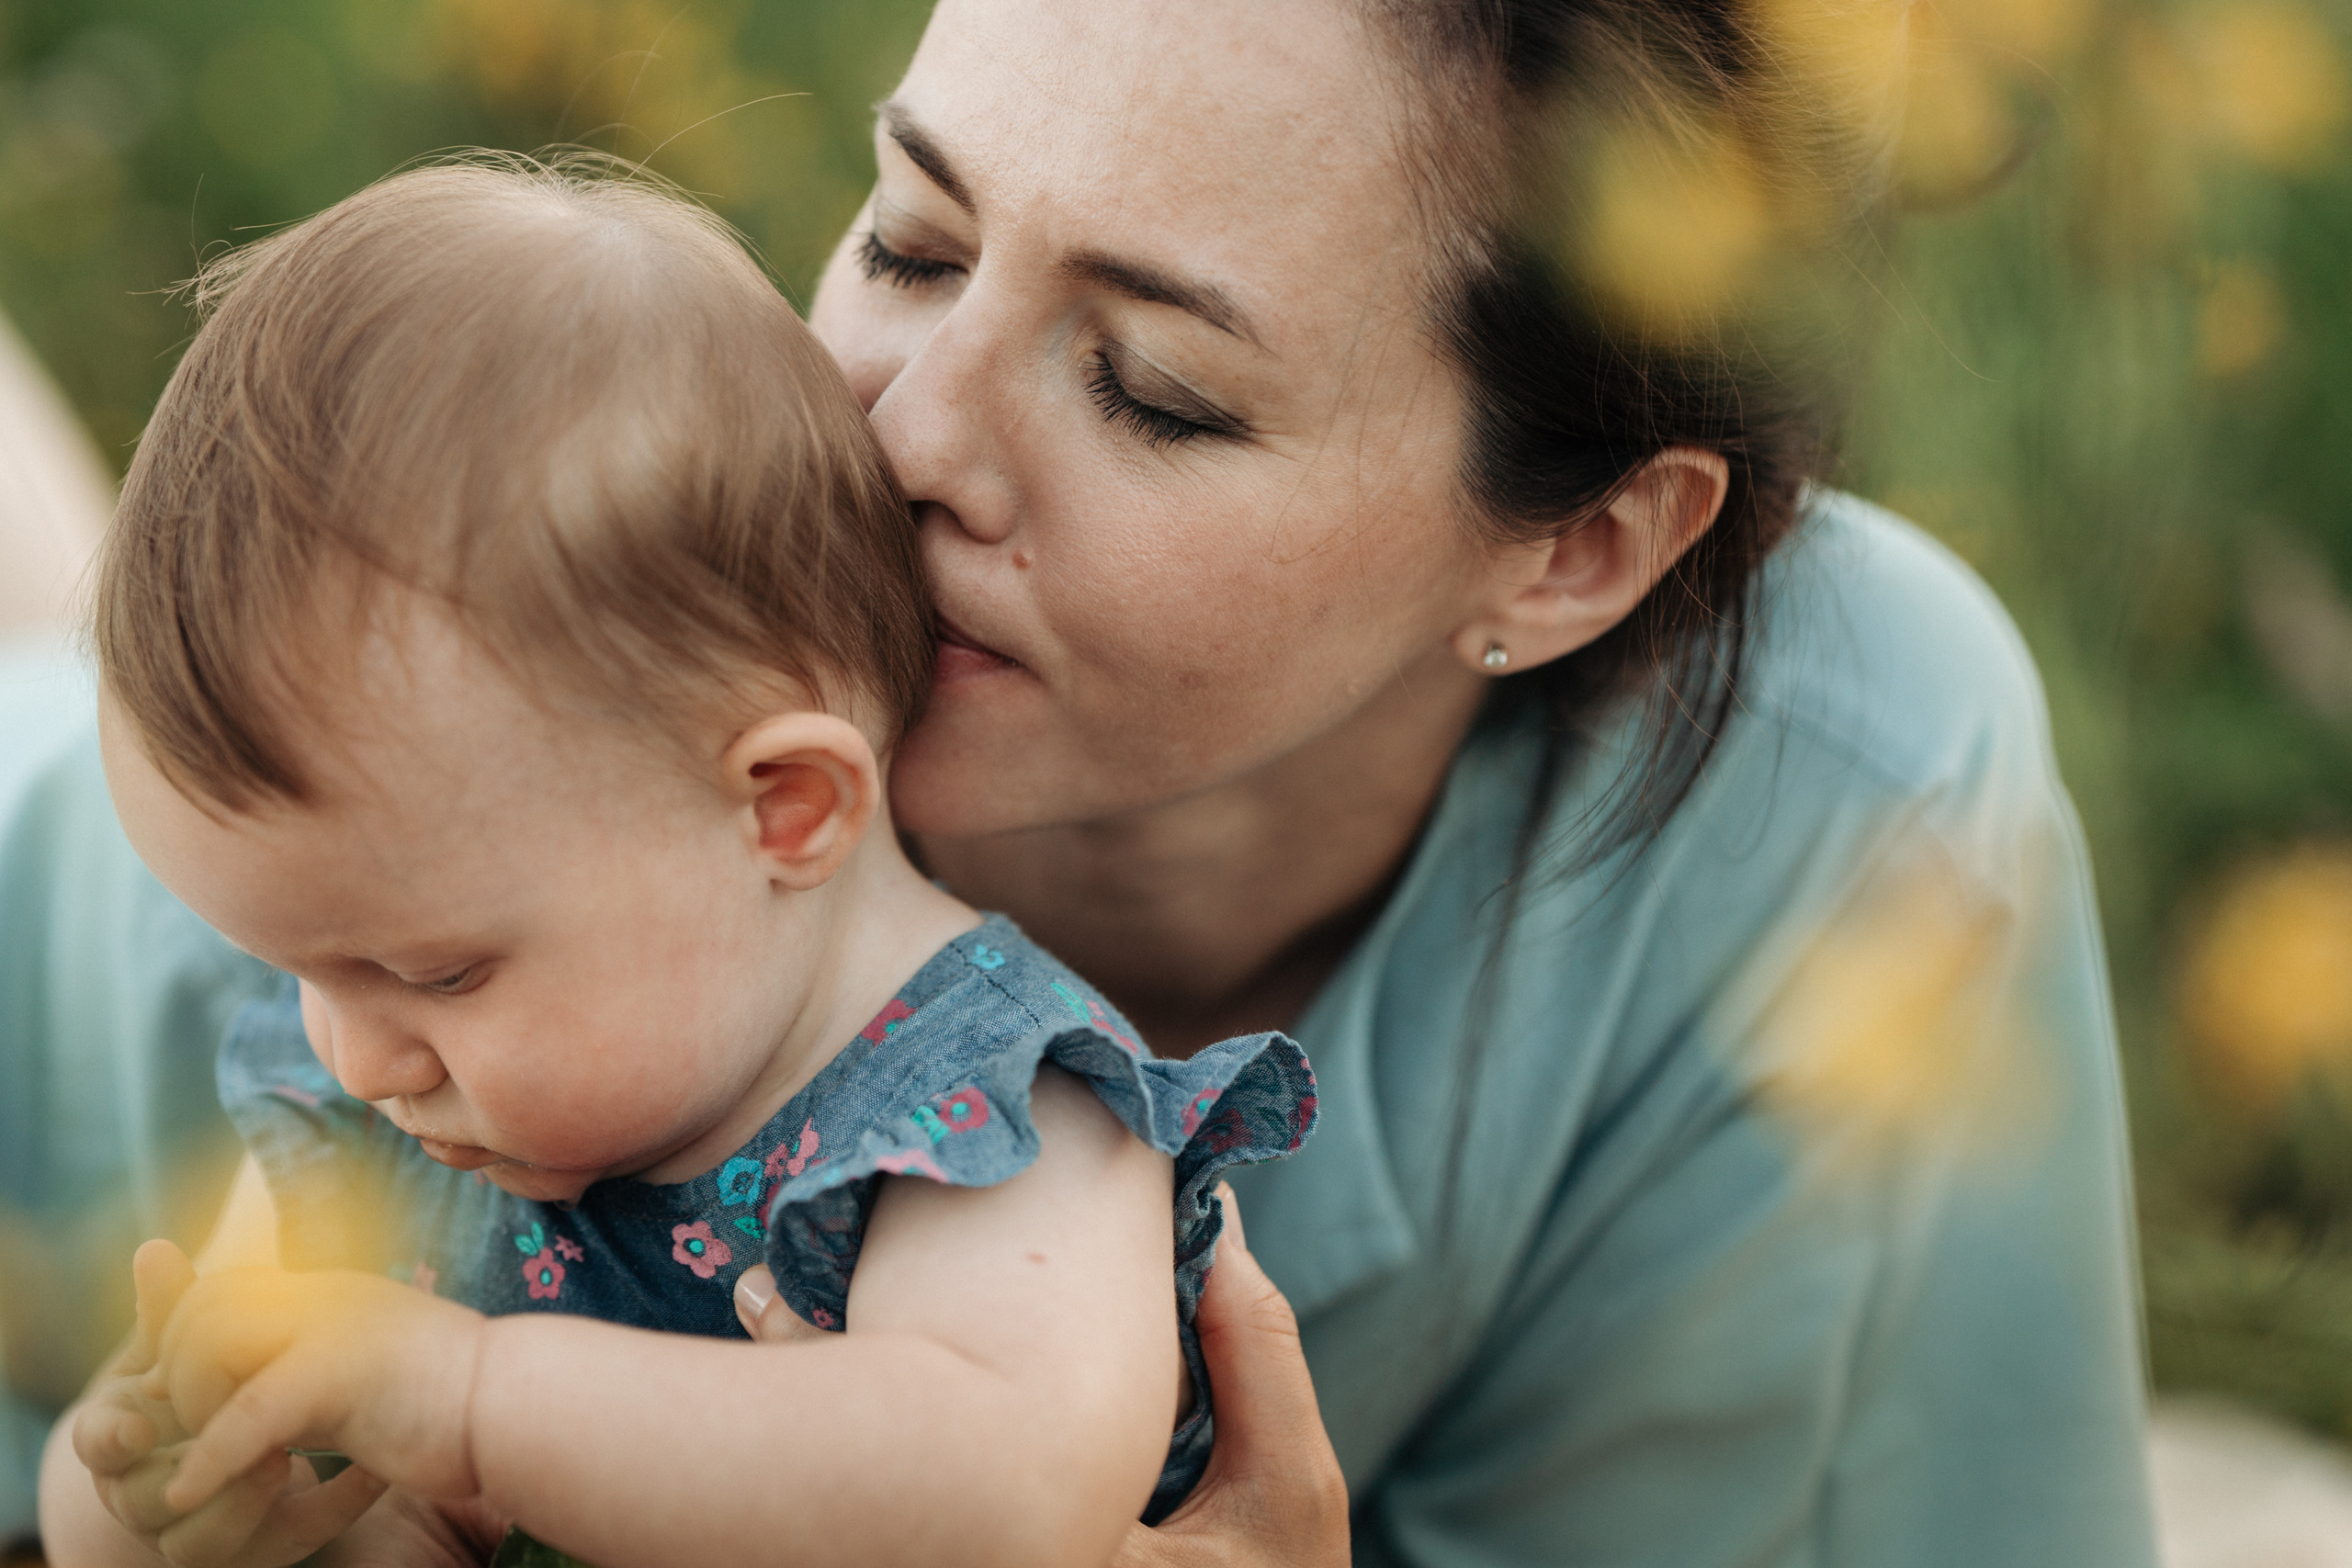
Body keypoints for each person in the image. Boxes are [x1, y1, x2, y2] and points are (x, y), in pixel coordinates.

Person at [7, 1, 2159, 1563]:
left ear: (1573, 547)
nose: (903, 434)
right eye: (915, 243)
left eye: (1151, 389)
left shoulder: (1833, 795)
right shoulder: (472, 788)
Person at [36, 158, 1313, 1568]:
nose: (354, 1058)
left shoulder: (983, 1121)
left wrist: (464, 1405)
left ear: (783, 812)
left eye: (435, 972)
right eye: (295, 971)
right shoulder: (388, 1109)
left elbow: (1007, 1494)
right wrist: (168, 1500)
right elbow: (193, 1452)